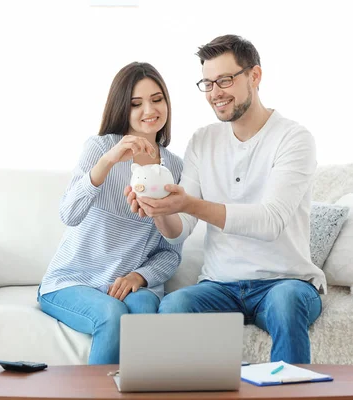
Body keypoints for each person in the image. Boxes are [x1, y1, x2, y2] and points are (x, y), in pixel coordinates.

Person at [126, 35, 326, 364]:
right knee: (174, 306)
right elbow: (180, 228)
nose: (216, 92)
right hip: (220, 285)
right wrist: (159, 209)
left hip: (285, 282)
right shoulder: (203, 140)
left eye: (225, 80)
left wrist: (186, 203)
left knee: (287, 302)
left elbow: (269, 221)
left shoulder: (293, 138)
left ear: (255, 76)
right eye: (208, 83)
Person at [38, 62, 183, 365]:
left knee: (145, 310)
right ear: (122, 107)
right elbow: (69, 214)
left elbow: (170, 252)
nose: (149, 110)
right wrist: (107, 162)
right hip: (72, 280)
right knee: (111, 314)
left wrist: (140, 275)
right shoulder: (99, 148)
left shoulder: (176, 167)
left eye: (157, 99)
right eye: (136, 103)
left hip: (127, 283)